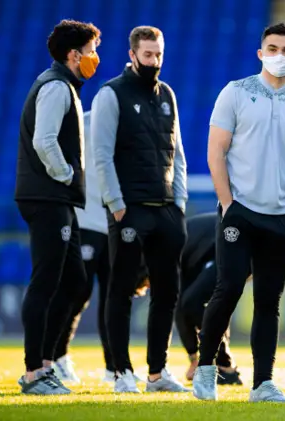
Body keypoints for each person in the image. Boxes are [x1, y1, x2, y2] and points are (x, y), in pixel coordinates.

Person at [193, 22, 285, 403]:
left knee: (268, 301)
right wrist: (228, 204)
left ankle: (263, 383)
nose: (279, 55)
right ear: (260, 52)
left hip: (279, 218)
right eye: (272, 47)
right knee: (228, 288)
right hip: (240, 211)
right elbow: (215, 151)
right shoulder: (236, 93)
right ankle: (204, 371)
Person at [92, 25, 189, 394]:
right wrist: (117, 207)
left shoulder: (168, 94)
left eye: (159, 55)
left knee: (167, 293)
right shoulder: (111, 94)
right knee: (121, 291)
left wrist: (178, 205)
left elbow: (176, 152)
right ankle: (121, 372)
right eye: (148, 55)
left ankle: (157, 372)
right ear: (132, 54)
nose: (154, 62)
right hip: (129, 210)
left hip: (165, 210)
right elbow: (101, 155)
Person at [14, 19, 101, 395]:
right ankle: (35, 372)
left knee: (75, 281)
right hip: (49, 196)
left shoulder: (63, 86)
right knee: (46, 282)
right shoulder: (56, 87)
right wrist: (65, 175)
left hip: (59, 199)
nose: (94, 58)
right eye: (91, 50)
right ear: (73, 54)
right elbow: (44, 140)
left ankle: (47, 364)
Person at [50, 111, 143, 385]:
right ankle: (55, 358)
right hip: (85, 220)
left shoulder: (126, 125)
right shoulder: (82, 122)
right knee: (76, 291)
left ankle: (114, 367)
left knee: (114, 296)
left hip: (113, 222)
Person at [174, 212, 245, 386]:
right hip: (219, 246)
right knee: (196, 302)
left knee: (194, 301)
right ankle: (223, 363)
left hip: (235, 245)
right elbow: (180, 308)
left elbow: (183, 305)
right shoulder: (179, 254)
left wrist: (194, 357)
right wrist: (192, 356)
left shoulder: (167, 255)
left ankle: (226, 364)